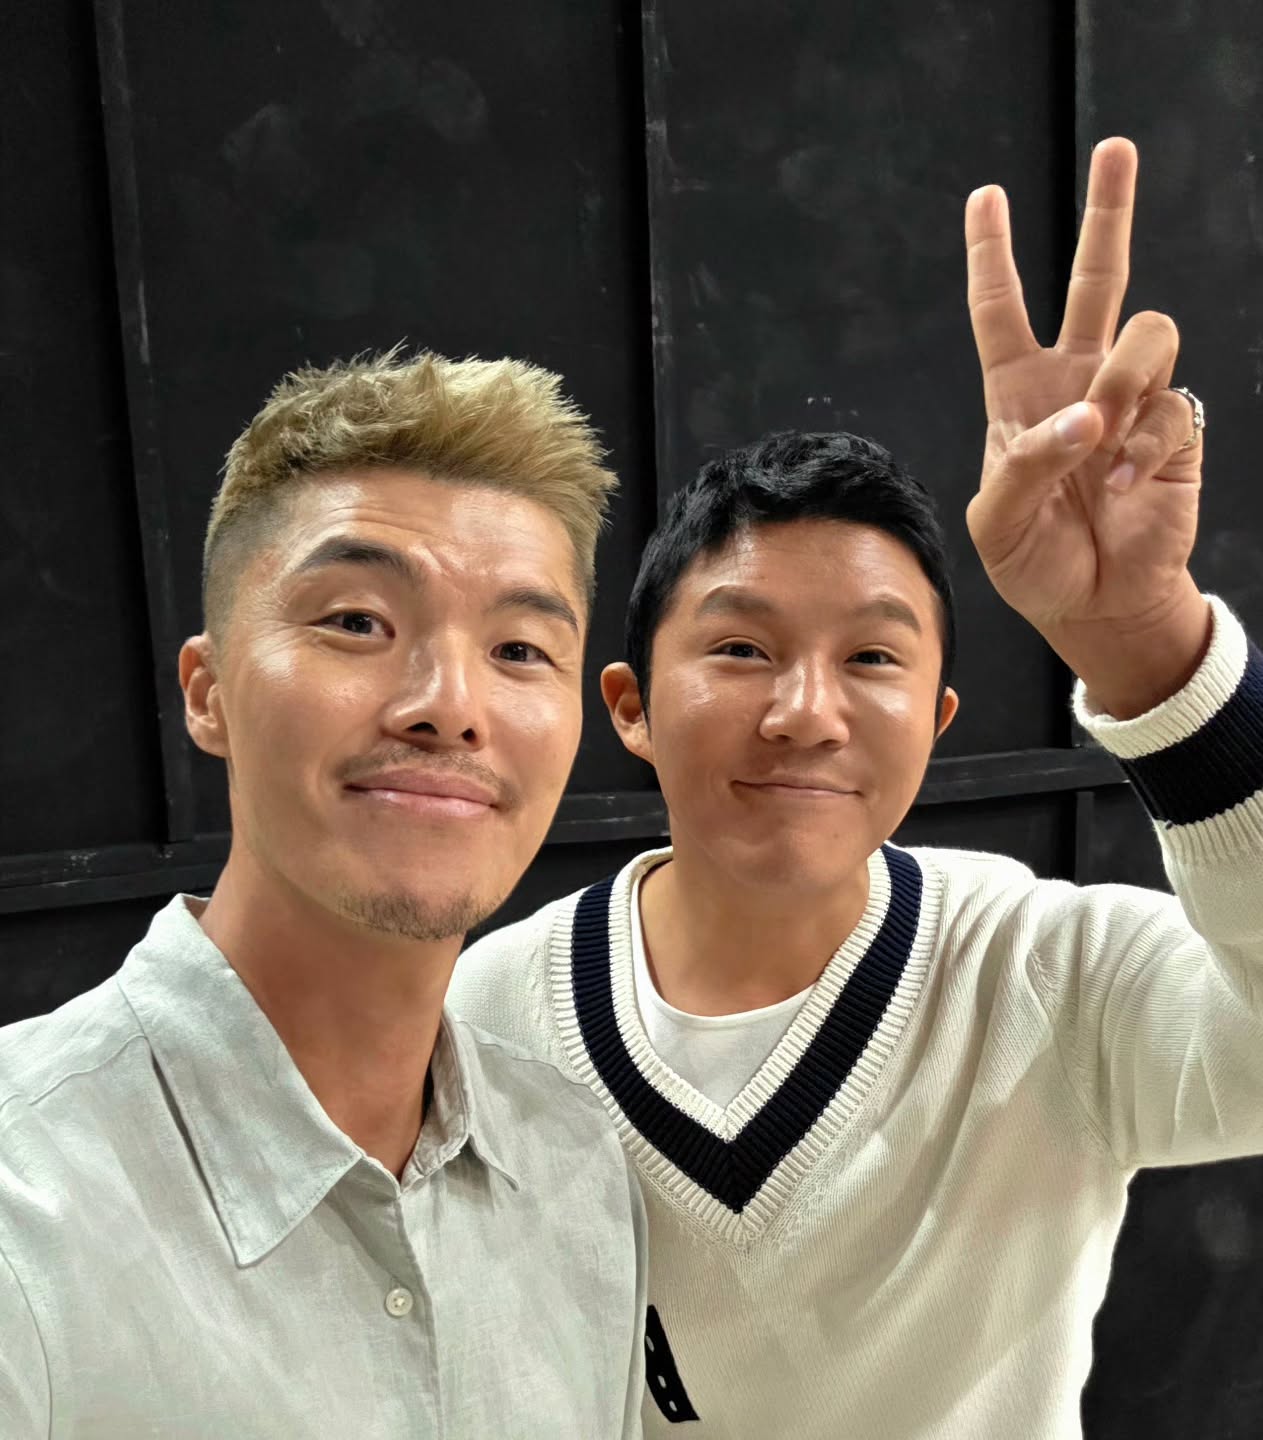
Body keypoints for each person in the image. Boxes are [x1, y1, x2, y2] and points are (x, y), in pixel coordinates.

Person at [449, 137, 1263, 1437]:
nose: (806, 713)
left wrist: (1144, 640)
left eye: (873, 658)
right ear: (630, 706)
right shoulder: (486, 1014)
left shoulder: (1044, 973)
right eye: (739, 648)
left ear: (937, 723)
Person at [0, 351, 647, 1438]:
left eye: (519, 648)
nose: (450, 706)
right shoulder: (27, 1206)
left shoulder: (576, 1163)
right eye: (356, 622)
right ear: (208, 692)